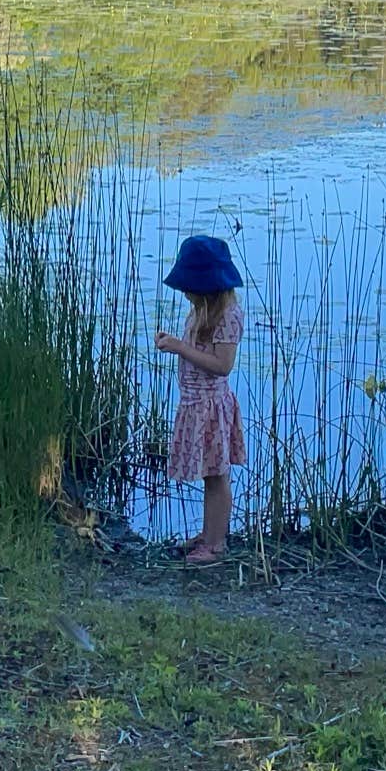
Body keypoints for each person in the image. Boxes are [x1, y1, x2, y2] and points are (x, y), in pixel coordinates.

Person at [152, 234, 247, 561]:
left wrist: (180, 347)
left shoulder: (228, 316)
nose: (186, 295)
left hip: (211, 407)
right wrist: (176, 340)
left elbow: (223, 366)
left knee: (218, 475)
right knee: (209, 472)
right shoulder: (202, 310)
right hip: (195, 404)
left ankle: (216, 544)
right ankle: (208, 534)